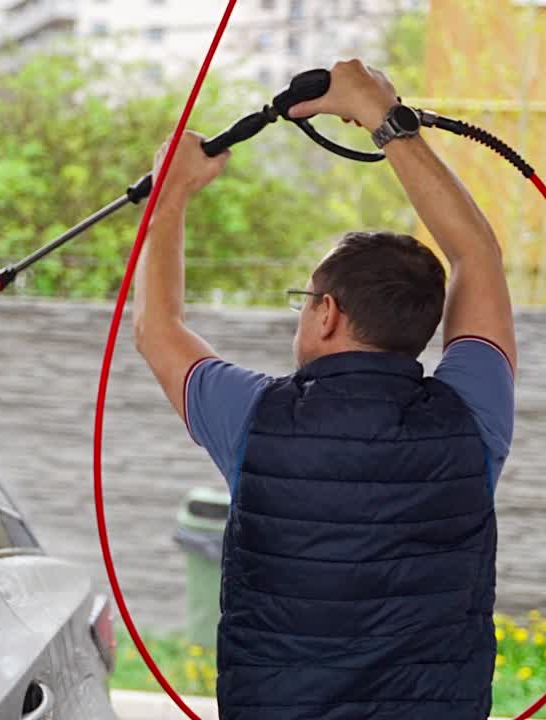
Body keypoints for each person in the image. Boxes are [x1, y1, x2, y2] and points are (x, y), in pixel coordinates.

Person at [133, 59, 514, 720]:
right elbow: (477, 255)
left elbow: (156, 328)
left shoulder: (256, 418)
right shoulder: (473, 419)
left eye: (304, 301)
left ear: (329, 313)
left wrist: (173, 196)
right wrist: (382, 117)